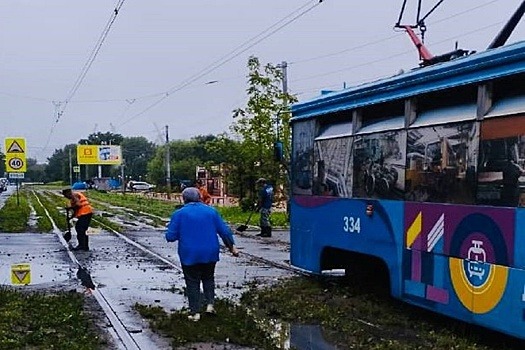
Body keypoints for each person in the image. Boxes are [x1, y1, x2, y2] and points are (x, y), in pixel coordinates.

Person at [165, 187, 239, 321]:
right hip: (210, 252)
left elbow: (170, 237)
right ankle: (210, 304)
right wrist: (232, 247)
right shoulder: (211, 212)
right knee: (208, 277)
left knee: (192, 281)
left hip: (189, 253)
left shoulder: (179, 214)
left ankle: (195, 313)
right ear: (199, 197)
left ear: (184, 199)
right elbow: (224, 231)